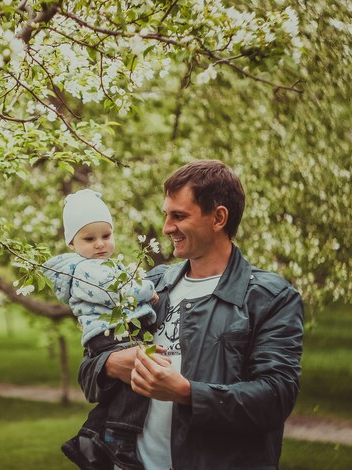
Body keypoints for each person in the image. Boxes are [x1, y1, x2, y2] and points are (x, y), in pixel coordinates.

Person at [78, 160, 304, 470]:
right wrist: (113, 364)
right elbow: (89, 367)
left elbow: (276, 397)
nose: (167, 227)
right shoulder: (151, 285)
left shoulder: (270, 297)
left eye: (179, 216)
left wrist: (187, 393)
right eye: (166, 215)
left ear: (219, 218)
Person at [43, 189, 159, 470]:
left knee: (121, 393)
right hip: (109, 337)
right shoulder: (84, 270)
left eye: (106, 236)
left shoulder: (99, 265)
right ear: (71, 242)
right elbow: (114, 292)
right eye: (89, 238)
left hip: (113, 333)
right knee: (138, 385)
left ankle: (89, 437)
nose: (100, 245)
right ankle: (118, 443)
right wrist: (147, 291)